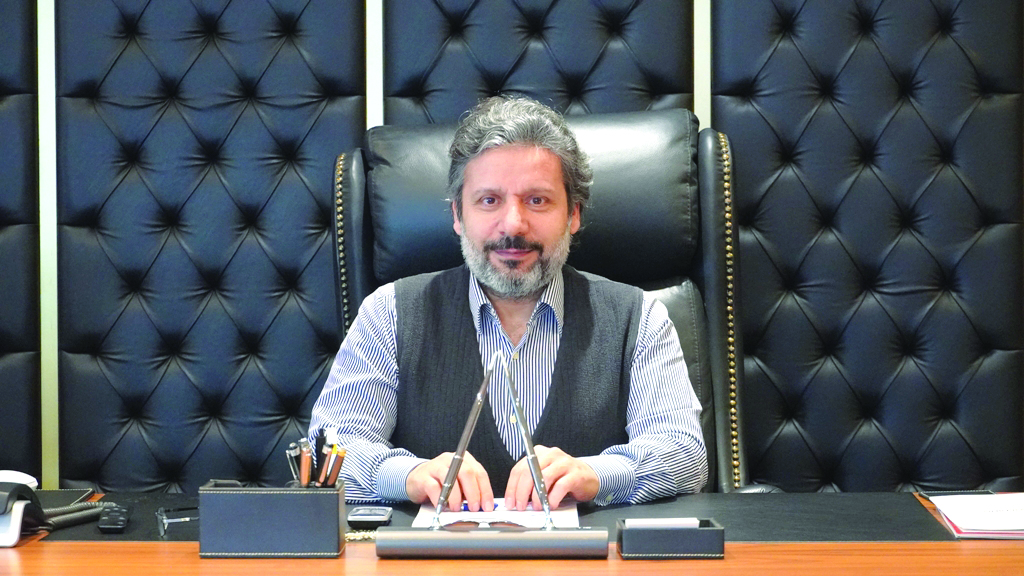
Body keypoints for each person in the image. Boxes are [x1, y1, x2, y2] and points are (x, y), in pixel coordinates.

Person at [308, 95, 707, 513]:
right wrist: (408, 475)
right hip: (434, 551)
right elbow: (328, 453)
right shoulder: (388, 313)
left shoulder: (639, 318)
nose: (513, 225)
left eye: (537, 200)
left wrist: (597, 475)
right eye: (489, 200)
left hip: (584, 552)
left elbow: (685, 455)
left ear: (573, 214)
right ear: (458, 215)